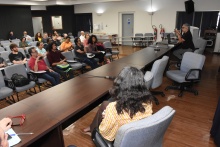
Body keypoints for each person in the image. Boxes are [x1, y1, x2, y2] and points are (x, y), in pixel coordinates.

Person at [82, 66, 153, 141]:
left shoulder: (113, 109)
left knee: (106, 106)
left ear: (120, 85)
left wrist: (106, 118)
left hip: (121, 138)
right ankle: (92, 127)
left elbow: (104, 133)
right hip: (138, 135)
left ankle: (93, 130)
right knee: (105, 104)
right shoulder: (148, 101)